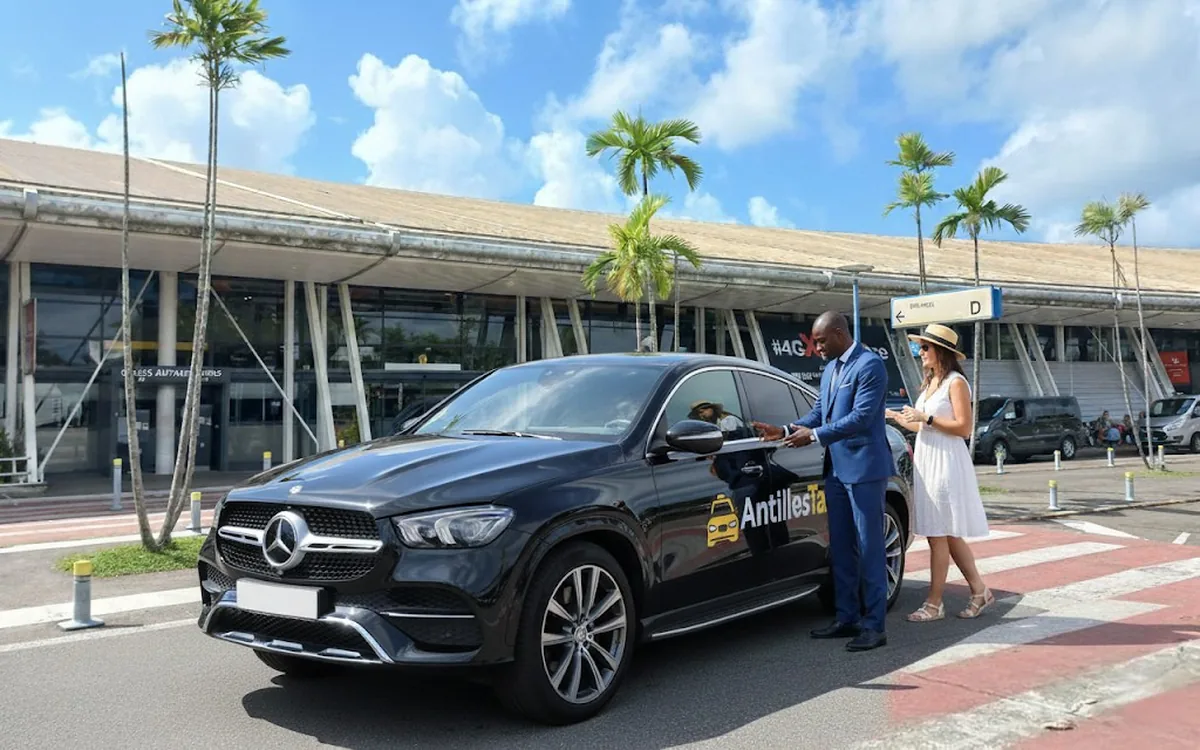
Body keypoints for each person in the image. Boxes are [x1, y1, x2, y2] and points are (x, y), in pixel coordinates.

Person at [753, 311, 894, 652]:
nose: (815, 348)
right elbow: (820, 412)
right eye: (814, 342)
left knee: (869, 548)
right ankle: (847, 618)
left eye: (820, 341)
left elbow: (860, 418)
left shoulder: (869, 365)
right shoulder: (831, 368)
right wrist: (785, 430)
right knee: (843, 548)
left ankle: (874, 625)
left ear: (838, 333)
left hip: (864, 469)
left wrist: (814, 436)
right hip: (835, 469)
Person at [886, 324, 993, 622]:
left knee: (937, 534)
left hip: (947, 461)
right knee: (947, 533)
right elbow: (923, 426)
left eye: (925, 347)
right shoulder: (932, 382)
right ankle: (979, 591)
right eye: (920, 347)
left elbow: (964, 428)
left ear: (940, 351)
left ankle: (934, 603)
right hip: (929, 457)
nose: (920, 353)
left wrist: (927, 416)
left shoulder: (956, 382)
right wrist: (898, 417)